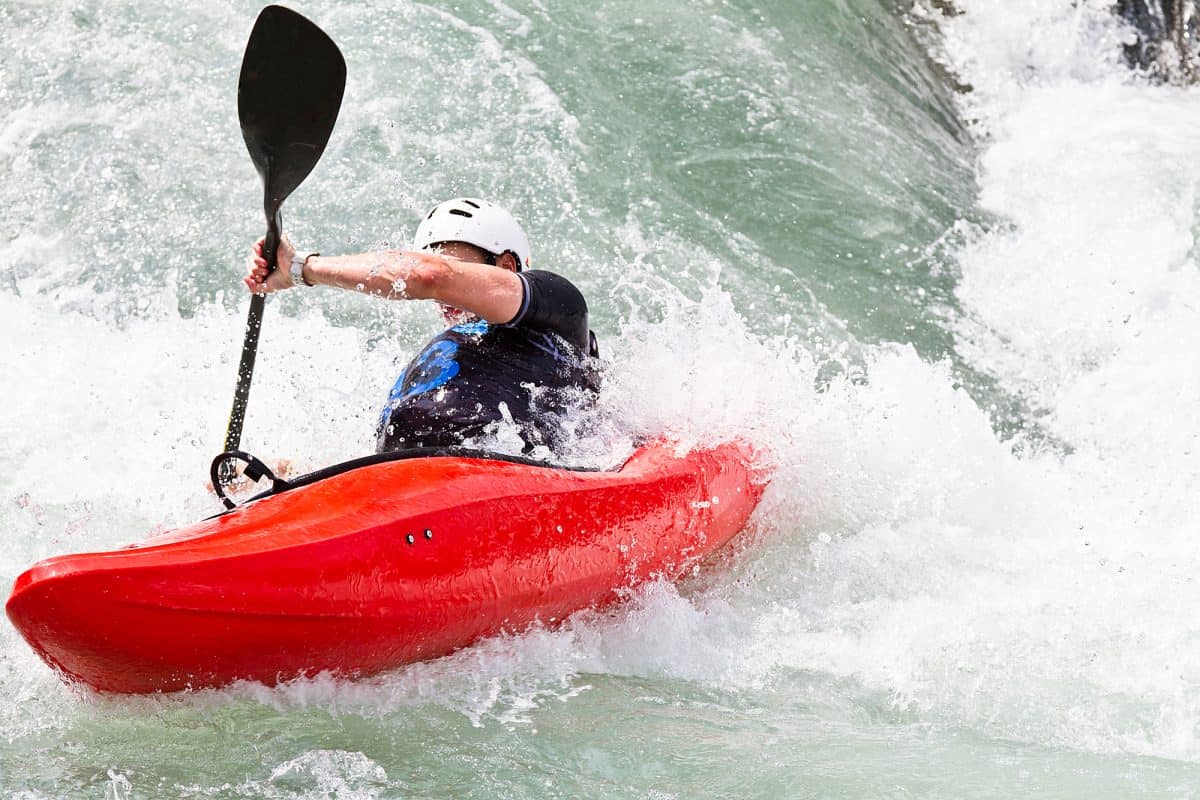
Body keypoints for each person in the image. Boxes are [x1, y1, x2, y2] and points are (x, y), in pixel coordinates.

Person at [245, 198, 600, 456]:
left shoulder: (557, 308)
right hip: (406, 496)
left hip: (502, 489)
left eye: (456, 266)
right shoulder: (446, 356)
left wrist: (301, 268)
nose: (441, 292)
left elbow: (430, 276)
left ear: (505, 267)